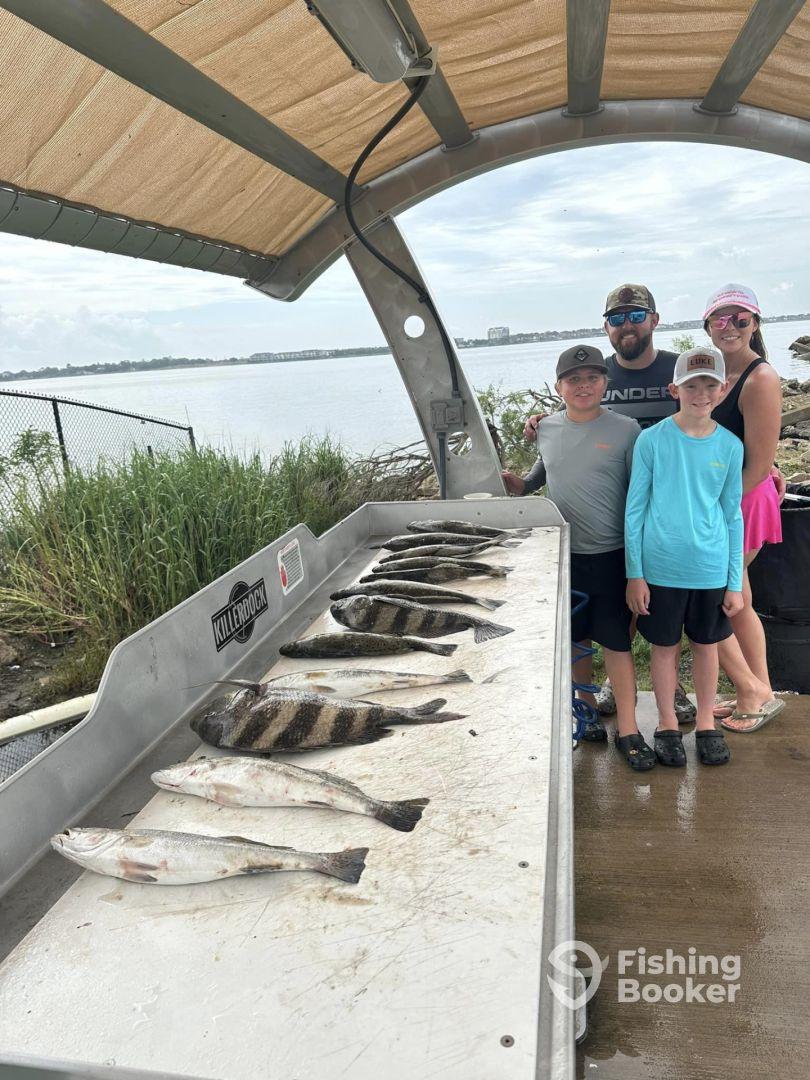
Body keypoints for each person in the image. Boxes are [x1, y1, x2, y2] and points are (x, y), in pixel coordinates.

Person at [523, 284, 695, 723]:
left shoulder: (677, 369)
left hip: (658, 516)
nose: (627, 324)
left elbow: (716, 409)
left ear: (654, 319)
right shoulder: (565, 411)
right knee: (600, 623)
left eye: (635, 315)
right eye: (617, 318)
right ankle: (598, 697)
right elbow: (552, 459)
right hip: (592, 538)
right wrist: (521, 481)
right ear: (607, 327)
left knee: (659, 611)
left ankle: (670, 692)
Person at [502, 344, 655, 771]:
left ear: (605, 384)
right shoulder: (546, 428)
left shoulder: (627, 429)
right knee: (577, 638)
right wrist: (519, 485)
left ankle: (628, 729)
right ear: (559, 387)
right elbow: (542, 473)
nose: (583, 386)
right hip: (564, 554)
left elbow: (640, 494)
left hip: (612, 555)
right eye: (574, 380)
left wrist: (638, 565)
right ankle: (584, 710)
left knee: (617, 642)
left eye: (592, 378)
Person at [624, 347, 745, 766]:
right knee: (664, 648)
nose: (701, 393)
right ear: (674, 389)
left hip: (710, 568)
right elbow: (635, 509)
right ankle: (666, 723)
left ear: (723, 390)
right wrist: (635, 574)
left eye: (710, 385)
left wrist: (734, 582)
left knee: (707, 646)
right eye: (692, 385)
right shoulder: (651, 440)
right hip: (660, 569)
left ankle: (707, 722)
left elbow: (732, 515)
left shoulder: (730, 446)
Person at [702, 284, 785, 733]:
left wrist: (712, 510)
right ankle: (761, 689)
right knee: (740, 600)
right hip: (726, 499)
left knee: (714, 596)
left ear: (754, 324)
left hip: (741, 503)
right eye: (721, 318)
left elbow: (758, 465)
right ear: (707, 326)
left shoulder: (760, 378)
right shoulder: (717, 372)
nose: (729, 326)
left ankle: (752, 691)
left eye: (740, 319)